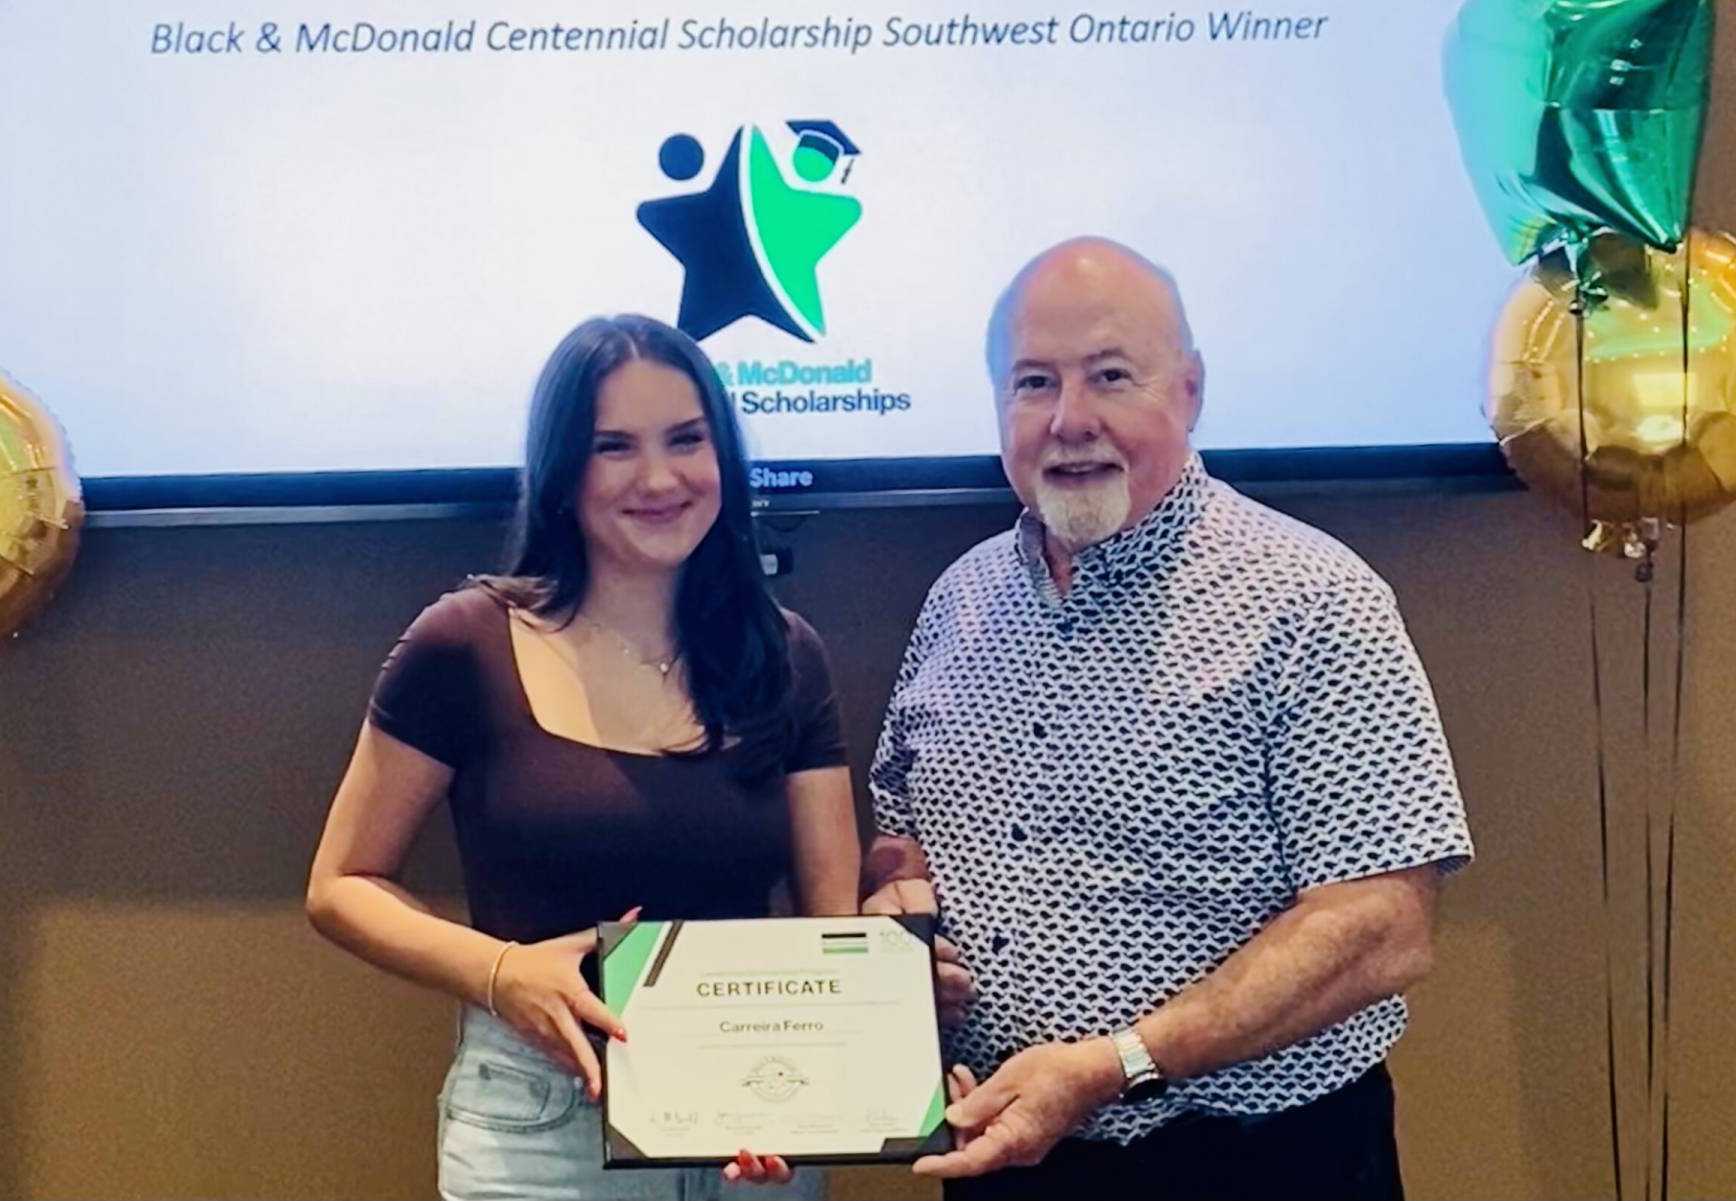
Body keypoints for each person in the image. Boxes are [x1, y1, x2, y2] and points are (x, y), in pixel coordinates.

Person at [865, 239, 1473, 1199]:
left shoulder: (1314, 599)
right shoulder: (961, 597)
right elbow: (901, 828)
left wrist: (1116, 1062)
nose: (1070, 420)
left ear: (1188, 390)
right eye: (1034, 383)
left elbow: (1381, 923)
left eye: (1111, 376)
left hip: (1257, 1163)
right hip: (1009, 1155)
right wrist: (898, 913)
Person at [309, 314, 860, 1199]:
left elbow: (836, 935)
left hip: (753, 1130)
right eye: (614, 447)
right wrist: (500, 971)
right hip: (542, 1125)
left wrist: (814, 1094)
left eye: (687, 440)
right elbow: (340, 885)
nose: (659, 477)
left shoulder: (786, 653)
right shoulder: (464, 642)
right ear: (564, 472)